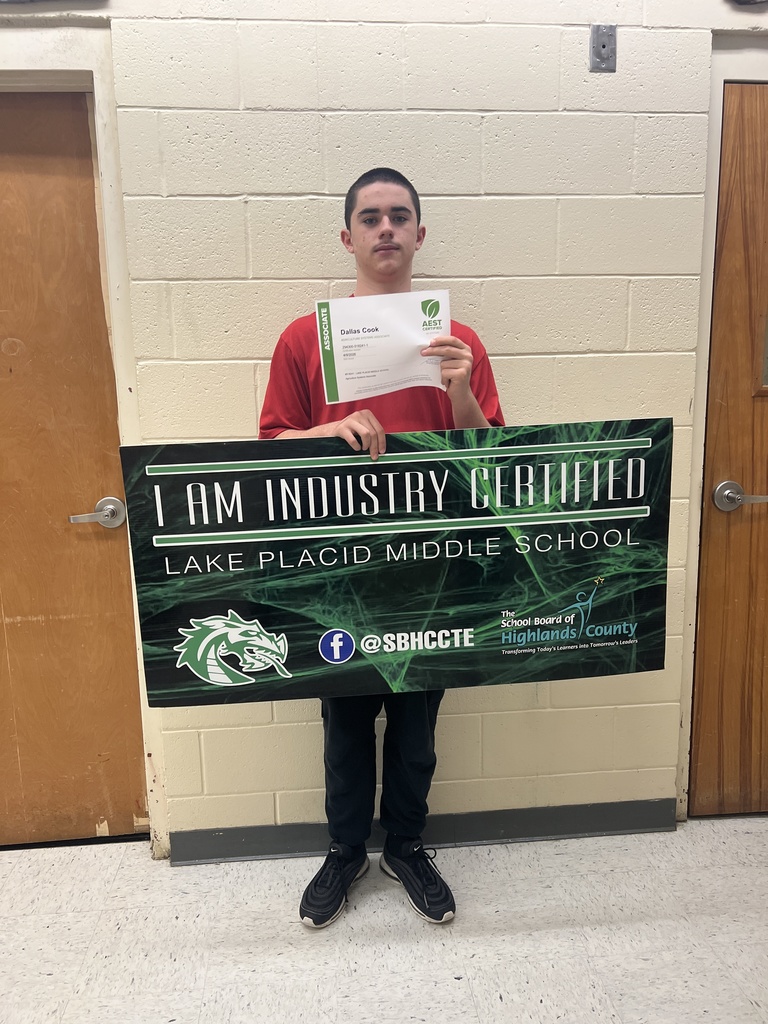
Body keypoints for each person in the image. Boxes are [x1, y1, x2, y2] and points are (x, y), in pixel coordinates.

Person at [259, 167, 504, 928]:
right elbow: (269, 444)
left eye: (400, 216)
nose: (386, 228)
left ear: (420, 234)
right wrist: (327, 432)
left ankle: (406, 845)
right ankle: (343, 851)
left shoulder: (457, 340)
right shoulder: (305, 339)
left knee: (418, 724)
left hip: (432, 568)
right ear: (349, 237)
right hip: (342, 569)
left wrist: (459, 387)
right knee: (343, 723)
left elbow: (489, 454)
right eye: (371, 218)